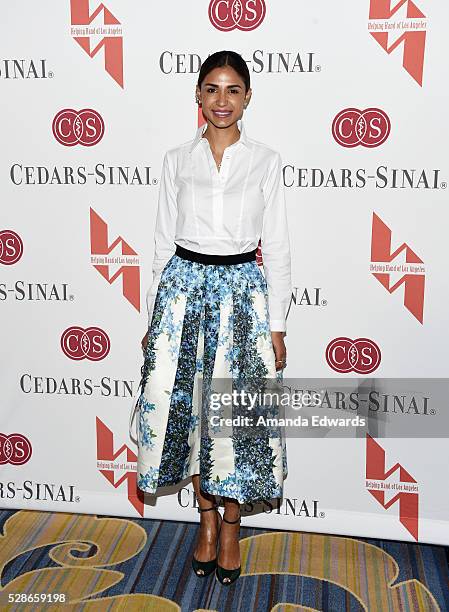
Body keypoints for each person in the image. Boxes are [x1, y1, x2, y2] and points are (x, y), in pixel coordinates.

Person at [133, 50, 292, 586]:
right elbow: (159, 243)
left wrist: (278, 325)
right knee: (192, 412)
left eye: (232, 90)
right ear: (198, 97)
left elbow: (280, 247)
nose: (221, 101)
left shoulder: (266, 161)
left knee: (232, 419)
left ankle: (231, 526)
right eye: (211, 89)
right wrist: (155, 318)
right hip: (182, 292)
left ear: (248, 97)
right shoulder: (176, 159)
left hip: (242, 295)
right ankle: (204, 523)